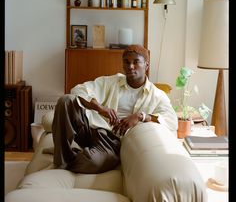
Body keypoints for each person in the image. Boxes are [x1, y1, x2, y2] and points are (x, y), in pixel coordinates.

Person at [52, 44, 178, 174]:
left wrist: (140, 116)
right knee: (66, 100)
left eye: (136, 62)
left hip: (112, 142)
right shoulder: (112, 81)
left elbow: (172, 121)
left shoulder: (156, 95)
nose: (130, 67)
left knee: (93, 162)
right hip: (92, 128)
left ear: (146, 65)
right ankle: (61, 162)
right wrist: (100, 108)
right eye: (127, 62)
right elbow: (78, 90)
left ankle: (71, 157)